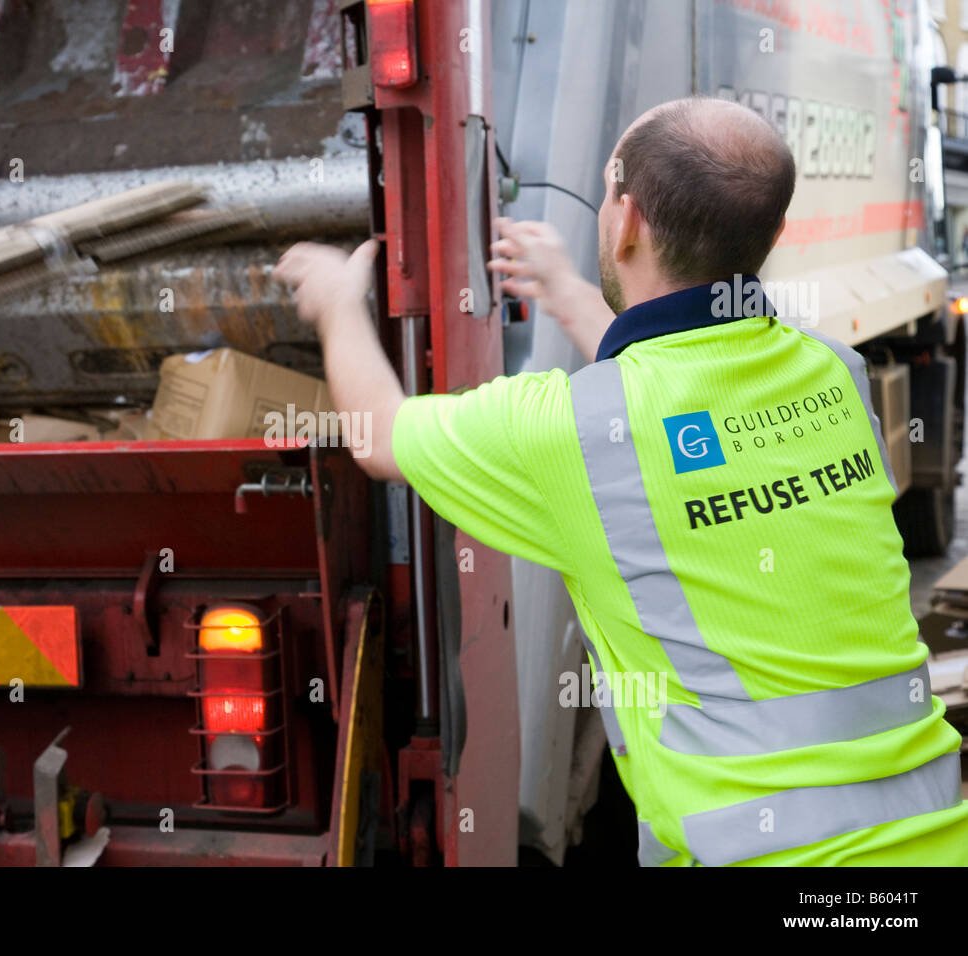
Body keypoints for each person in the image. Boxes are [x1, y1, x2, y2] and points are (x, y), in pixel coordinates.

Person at [273, 96, 968, 866]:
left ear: (627, 220)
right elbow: (678, 392)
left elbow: (375, 433)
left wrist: (340, 305)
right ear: (773, 236)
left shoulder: (562, 433)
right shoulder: (833, 373)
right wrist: (567, 288)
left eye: (608, 190)